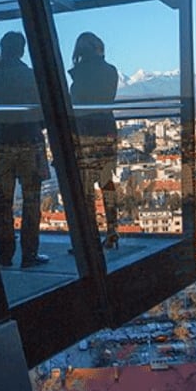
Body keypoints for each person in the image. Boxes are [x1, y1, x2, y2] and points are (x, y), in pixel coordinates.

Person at [0, 31, 49, 268]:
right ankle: (29, 254)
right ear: (22, 50)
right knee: (31, 200)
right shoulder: (33, 77)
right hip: (31, 142)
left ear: (1, 49)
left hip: (1, 144)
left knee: (3, 200)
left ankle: (5, 252)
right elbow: (44, 112)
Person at [68, 31, 121, 248]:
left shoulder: (78, 76)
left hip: (85, 135)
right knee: (107, 182)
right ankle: (112, 231)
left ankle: (89, 239)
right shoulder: (110, 72)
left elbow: (74, 107)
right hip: (107, 131)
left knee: (87, 188)